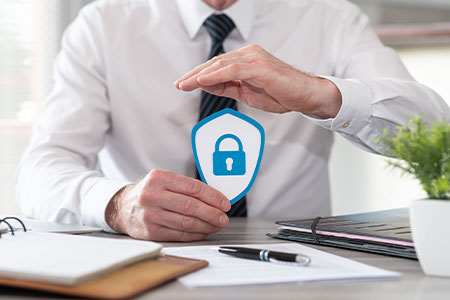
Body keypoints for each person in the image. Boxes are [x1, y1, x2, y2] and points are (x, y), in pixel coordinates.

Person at [16, 0, 449, 241]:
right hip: (144, 259)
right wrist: (116, 203)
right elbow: (40, 171)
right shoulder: (103, 24)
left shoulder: (330, 17)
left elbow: (436, 133)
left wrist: (319, 93)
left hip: (298, 267)